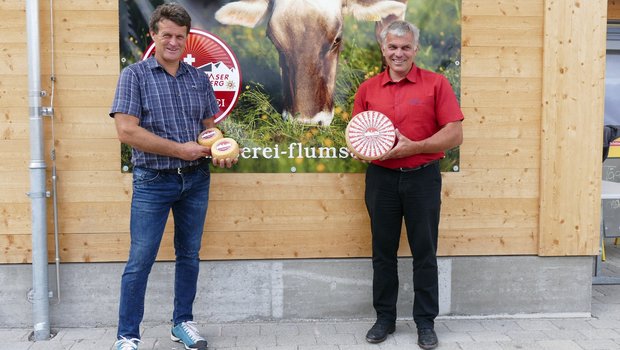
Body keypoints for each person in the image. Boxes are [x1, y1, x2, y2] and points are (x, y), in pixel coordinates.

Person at [109, 3, 236, 350]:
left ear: (187, 38)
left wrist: (222, 149)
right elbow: (126, 131)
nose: (173, 42)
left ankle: (182, 323)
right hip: (153, 180)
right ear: (153, 35)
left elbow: (209, 129)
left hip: (196, 180)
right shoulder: (134, 75)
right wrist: (180, 150)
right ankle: (127, 335)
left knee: (189, 254)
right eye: (167, 35)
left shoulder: (199, 78)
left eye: (180, 36)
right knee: (140, 259)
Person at [352, 20, 464, 350]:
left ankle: (425, 322)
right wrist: (358, 149)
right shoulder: (367, 90)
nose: (398, 53)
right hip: (381, 180)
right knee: (382, 253)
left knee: (424, 252)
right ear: (383, 50)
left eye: (405, 47)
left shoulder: (436, 84)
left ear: (415, 49)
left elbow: (455, 134)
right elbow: (356, 135)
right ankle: (384, 318)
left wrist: (413, 146)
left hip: (423, 178)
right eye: (392, 47)